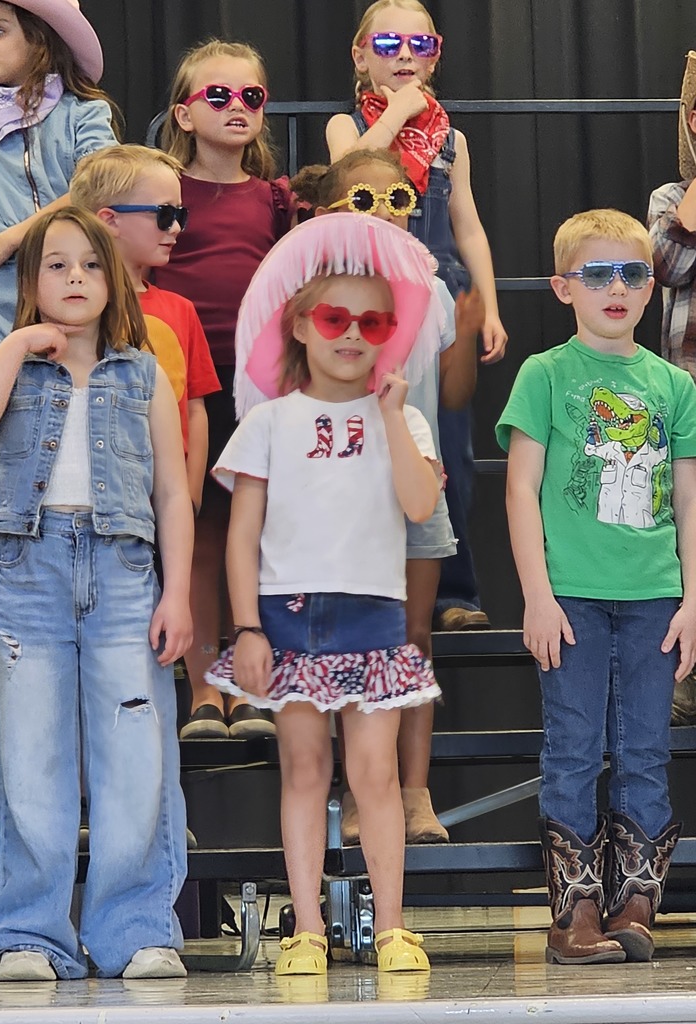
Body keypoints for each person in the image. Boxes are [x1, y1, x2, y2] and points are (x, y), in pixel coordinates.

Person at [0, 207, 193, 981]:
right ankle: (28, 932)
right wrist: (19, 341)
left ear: (113, 276)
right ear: (31, 283)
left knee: (135, 757)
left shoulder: (143, 368)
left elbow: (173, 493)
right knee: (29, 755)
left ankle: (135, 928)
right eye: (55, 265)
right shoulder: (11, 361)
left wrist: (178, 593)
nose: (76, 279)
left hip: (124, 575)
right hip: (31, 572)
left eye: (90, 264)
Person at [206, 212, 447, 975]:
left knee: (373, 776)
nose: (353, 334)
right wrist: (246, 627)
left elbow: (418, 507)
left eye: (372, 321)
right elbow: (241, 535)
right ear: (301, 324)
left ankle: (393, 928)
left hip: (373, 612)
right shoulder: (270, 422)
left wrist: (387, 416)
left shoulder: (403, 417)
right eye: (335, 317)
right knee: (304, 769)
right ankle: (306, 925)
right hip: (288, 615)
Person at [496, 209, 696, 965]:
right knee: (574, 749)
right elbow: (521, 492)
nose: (616, 287)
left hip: (654, 597)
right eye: (598, 274)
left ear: (651, 289)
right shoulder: (544, 374)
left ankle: (636, 902)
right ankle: (574, 914)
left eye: (633, 273)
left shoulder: (673, 384)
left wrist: (694, 599)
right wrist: (537, 595)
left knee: (645, 749)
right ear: (562, 287)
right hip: (571, 597)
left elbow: (687, 499)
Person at [291, 148, 482, 846]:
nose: (387, 212)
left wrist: (467, 330)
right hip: (340, 478)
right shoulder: (308, 287)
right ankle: (352, 788)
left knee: (413, 637)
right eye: (365, 200)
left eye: (399, 198)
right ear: (331, 210)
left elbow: (449, 393)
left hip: (413, 461)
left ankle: (413, 793)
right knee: (343, 639)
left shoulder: (428, 284)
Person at [0, 0, 118, 636]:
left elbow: (100, 185)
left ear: (41, 41)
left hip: (71, 291)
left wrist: (14, 237)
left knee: (73, 433)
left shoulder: (84, 115)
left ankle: (88, 597)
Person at [326, 0, 507, 632]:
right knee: (372, 440)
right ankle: (373, 584)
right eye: (390, 43)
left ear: (436, 54)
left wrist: (486, 303)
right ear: (360, 54)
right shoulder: (346, 125)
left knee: (447, 446)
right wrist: (399, 112)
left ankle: (453, 590)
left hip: (439, 296)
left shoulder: (451, 139)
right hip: (368, 302)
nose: (406, 56)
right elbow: (345, 180)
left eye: (421, 45)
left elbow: (470, 226)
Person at [155, 39, 295, 739]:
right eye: (219, 95)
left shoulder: (275, 197)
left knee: (256, 530)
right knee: (198, 530)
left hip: (256, 384)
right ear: (184, 113)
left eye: (251, 97)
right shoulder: (160, 188)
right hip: (181, 380)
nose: (237, 107)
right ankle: (205, 689)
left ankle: (251, 683)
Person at [70, 144, 220, 511]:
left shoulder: (180, 310)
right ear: (109, 220)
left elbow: (195, 408)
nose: (175, 228)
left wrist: (191, 493)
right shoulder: (72, 312)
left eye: (180, 214)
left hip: (165, 498)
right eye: (164, 214)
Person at [648, 49, 696, 726]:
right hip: (686, 393)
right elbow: (665, 264)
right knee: (688, 536)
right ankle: (689, 670)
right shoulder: (668, 199)